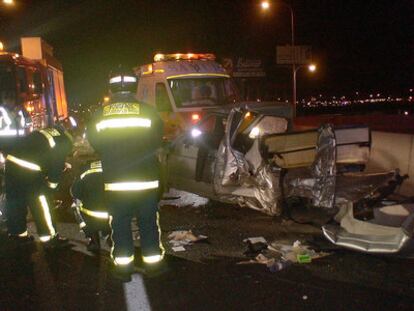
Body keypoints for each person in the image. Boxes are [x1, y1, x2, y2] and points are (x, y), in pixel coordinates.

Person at [87, 70, 165, 281]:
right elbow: (158, 139)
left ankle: (123, 269)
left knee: (120, 224)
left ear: (111, 89)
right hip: (146, 180)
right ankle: (154, 267)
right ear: (134, 87)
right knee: (148, 222)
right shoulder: (148, 111)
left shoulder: (100, 114)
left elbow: (94, 142)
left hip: (116, 181)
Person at [4, 125, 73, 247]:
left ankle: (18, 235)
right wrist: (51, 187)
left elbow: (45, 155)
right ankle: (49, 238)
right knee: (41, 202)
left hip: (11, 163)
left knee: (15, 201)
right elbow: (55, 166)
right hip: (30, 169)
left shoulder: (45, 133)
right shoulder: (65, 141)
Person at [71, 160, 111, 253]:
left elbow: (75, 192)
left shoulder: (84, 170)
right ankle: (111, 236)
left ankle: (94, 240)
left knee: (74, 206)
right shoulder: (113, 165)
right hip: (113, 212)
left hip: (92, 214)